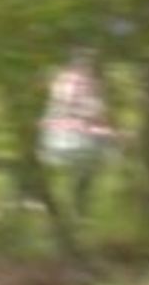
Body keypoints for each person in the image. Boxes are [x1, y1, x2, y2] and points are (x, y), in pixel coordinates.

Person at [37, 45, 113, 235]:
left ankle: (70, 206)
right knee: (98, 155)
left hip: (53, 138)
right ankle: (79, 207)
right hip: (75, 138)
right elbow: (94, 111)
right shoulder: (87, 83)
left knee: (94, 151)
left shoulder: (60, 79)